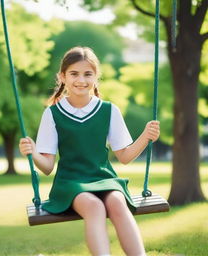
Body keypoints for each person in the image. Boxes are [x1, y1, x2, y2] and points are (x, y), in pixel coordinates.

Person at [19, 46, 160, 256]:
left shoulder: (109, 110)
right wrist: (33, 153)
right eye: (74, 74)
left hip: (104, 177)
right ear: (62, 77)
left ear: (96, 77)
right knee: (94, 207)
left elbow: (125, 157)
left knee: (117, 203)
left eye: (88, 74)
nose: (81, 80)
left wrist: (145, 137)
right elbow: (47, 167)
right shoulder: (53, 113)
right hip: (70, 182)